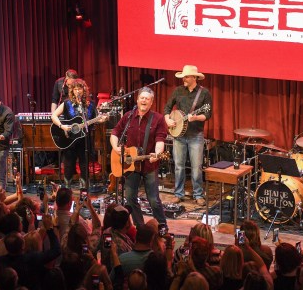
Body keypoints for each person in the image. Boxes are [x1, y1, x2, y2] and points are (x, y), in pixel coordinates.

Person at [110, 87, 168, 226]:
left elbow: (160, 140)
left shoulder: (158, 119)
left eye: (147, 98)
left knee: (153, 200)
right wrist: (116, 147)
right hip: (130, 166)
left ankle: (162, 227)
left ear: (151, 102)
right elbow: (115, 133)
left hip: (149, 165)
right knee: (130, 199)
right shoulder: (128, 116)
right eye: (142, 97)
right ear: (137, 100)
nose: (144, 100)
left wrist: (157, 154)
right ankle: (140, 227)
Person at [164, 65, 212, 205]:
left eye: (186, 77)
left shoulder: (204, 93)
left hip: (195, 135)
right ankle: (178, 193)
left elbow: (207, 114)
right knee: (179, 166)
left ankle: (198, 194)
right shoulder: (178, 90)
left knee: (196, 167)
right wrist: (168, 119)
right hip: (178, 135)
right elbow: (167, 107)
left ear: (194, 78)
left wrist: (196, 117)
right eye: (183, 76)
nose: (184, 79)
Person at [51, 79, 103, 188]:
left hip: (85, 140)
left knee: (84, 165)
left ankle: (84, 190)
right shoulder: (67, 103)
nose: (78, 91)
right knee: (69, 166)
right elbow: (54, 116)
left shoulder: (91, 105)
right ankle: (67, 189)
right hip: (69, 140)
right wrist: (62, 126)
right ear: (72, 91)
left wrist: (102, 119)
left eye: (80, 88)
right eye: (75, 89)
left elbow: (97, 118)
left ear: (84, 90)